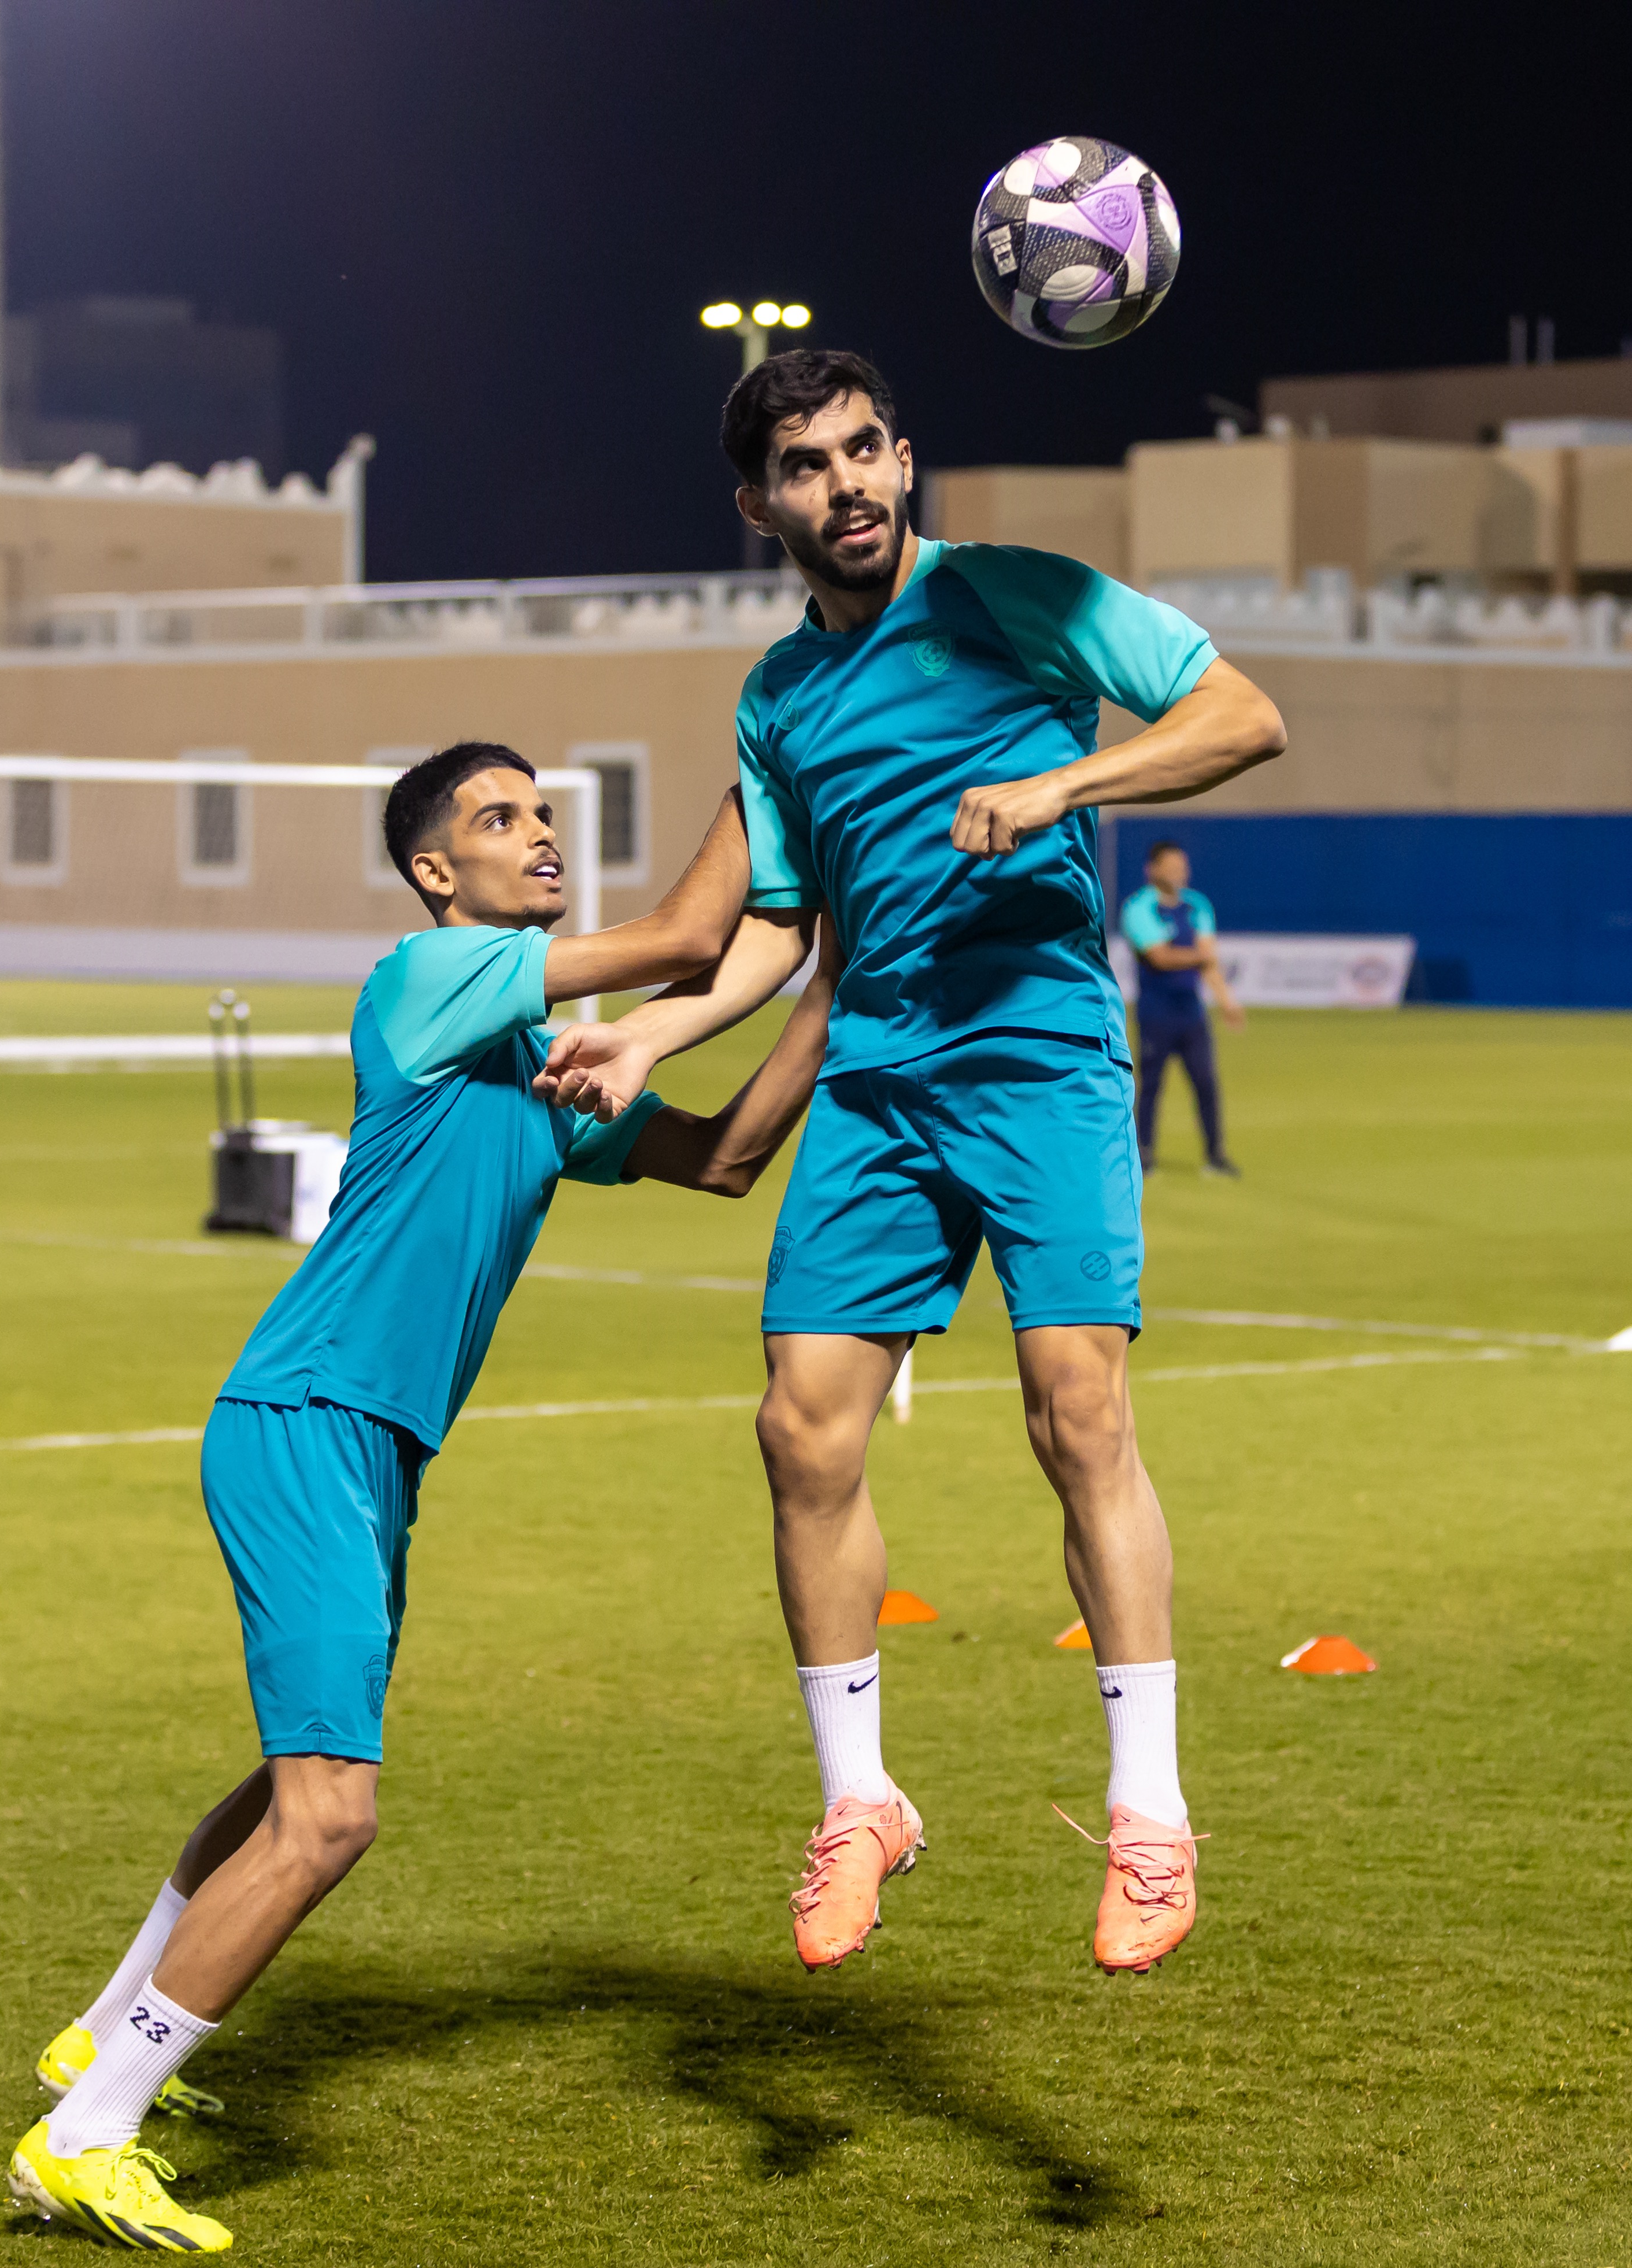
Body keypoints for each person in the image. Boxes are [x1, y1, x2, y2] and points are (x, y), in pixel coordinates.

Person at [8, 743, 837, 2253]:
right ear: (434, 873)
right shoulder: (433, 975)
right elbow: (677, 942)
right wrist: (774, 756)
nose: (536, 837)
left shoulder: (529, 1063)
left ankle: (94, 2035)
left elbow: (725, 1157)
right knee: (332, 1818)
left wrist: (840, 975)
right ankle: (88, 2127)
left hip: (371, 1448)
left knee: (286, 1784)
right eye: (498, 820)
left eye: (543, 815)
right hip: (305, 1419)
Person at [537, 349, 1286, 1980]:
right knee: (799, 1425)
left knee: (1073, 1404)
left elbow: (1243, 714)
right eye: (807, 466)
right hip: (876, 1076)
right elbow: (779, 930)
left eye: (867, 449)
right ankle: (859, 1799)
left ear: (905, 455)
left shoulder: (1020, 594)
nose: (849, 484)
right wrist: (658, 1037)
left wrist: (1062, 783)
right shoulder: (776, 697)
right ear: (763, 508)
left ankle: (1151, 1818)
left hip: (1038, 1053)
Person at [1120, 839, 1243, 1176]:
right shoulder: (1139, 907)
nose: (1179, 872)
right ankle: (1144, 1156)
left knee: (1206, 1081)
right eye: (1171, 866)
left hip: (1191, 1012)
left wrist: (1226, 1000)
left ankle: (1215, 1155)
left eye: (1182, 866)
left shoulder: (1197, 905)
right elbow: (1160, 957)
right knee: (1151, 1086)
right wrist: (1199, 957)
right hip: (1156, 1011)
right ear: (1153, 870)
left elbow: (1207, 961)